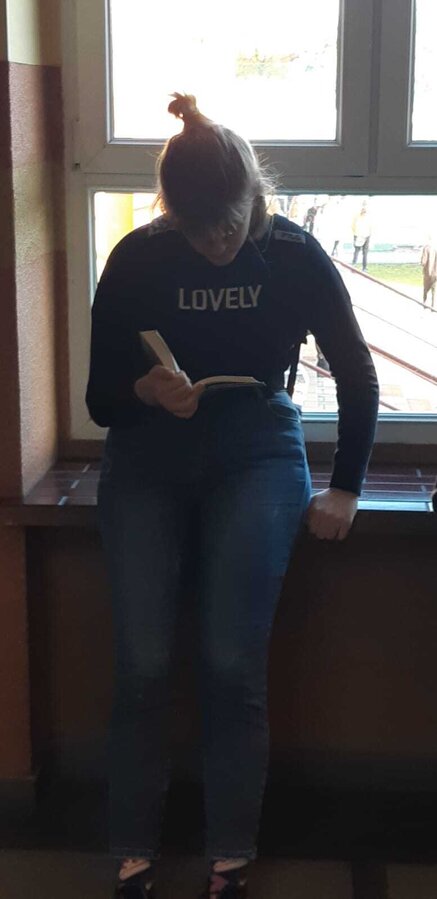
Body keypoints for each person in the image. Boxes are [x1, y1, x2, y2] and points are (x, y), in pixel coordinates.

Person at [86, 92, 379, 899]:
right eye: (198, 229)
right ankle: (132, 852)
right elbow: (99, 398)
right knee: (143, 662)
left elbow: (355, 373)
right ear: (169, 213)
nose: (216, 243)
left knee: (229, 659)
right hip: (148, 453)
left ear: (255, 193)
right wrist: (145, 390)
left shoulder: (291, 252)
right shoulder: (139, 256)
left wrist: (346, 485)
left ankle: (229, 856)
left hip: (256, 447)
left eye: (229, 223)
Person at [352, 200, 372, 271]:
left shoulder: (359, 214)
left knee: (358, 250)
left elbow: (353, 225)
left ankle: (356, 264)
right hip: (364, 234)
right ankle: (363, 267)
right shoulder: (365, 215)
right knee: (363, 252)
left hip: (361, 234)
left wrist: (355, 233)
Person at [421, 242, 437, 309]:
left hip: (428, 273)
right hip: (435, 273)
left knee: (425, 289)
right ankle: (433, 306)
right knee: (433, 290)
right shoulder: (435, 248)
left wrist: (421, 263)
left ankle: (424, 304)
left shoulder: (426, 248)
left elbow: (423, 262)